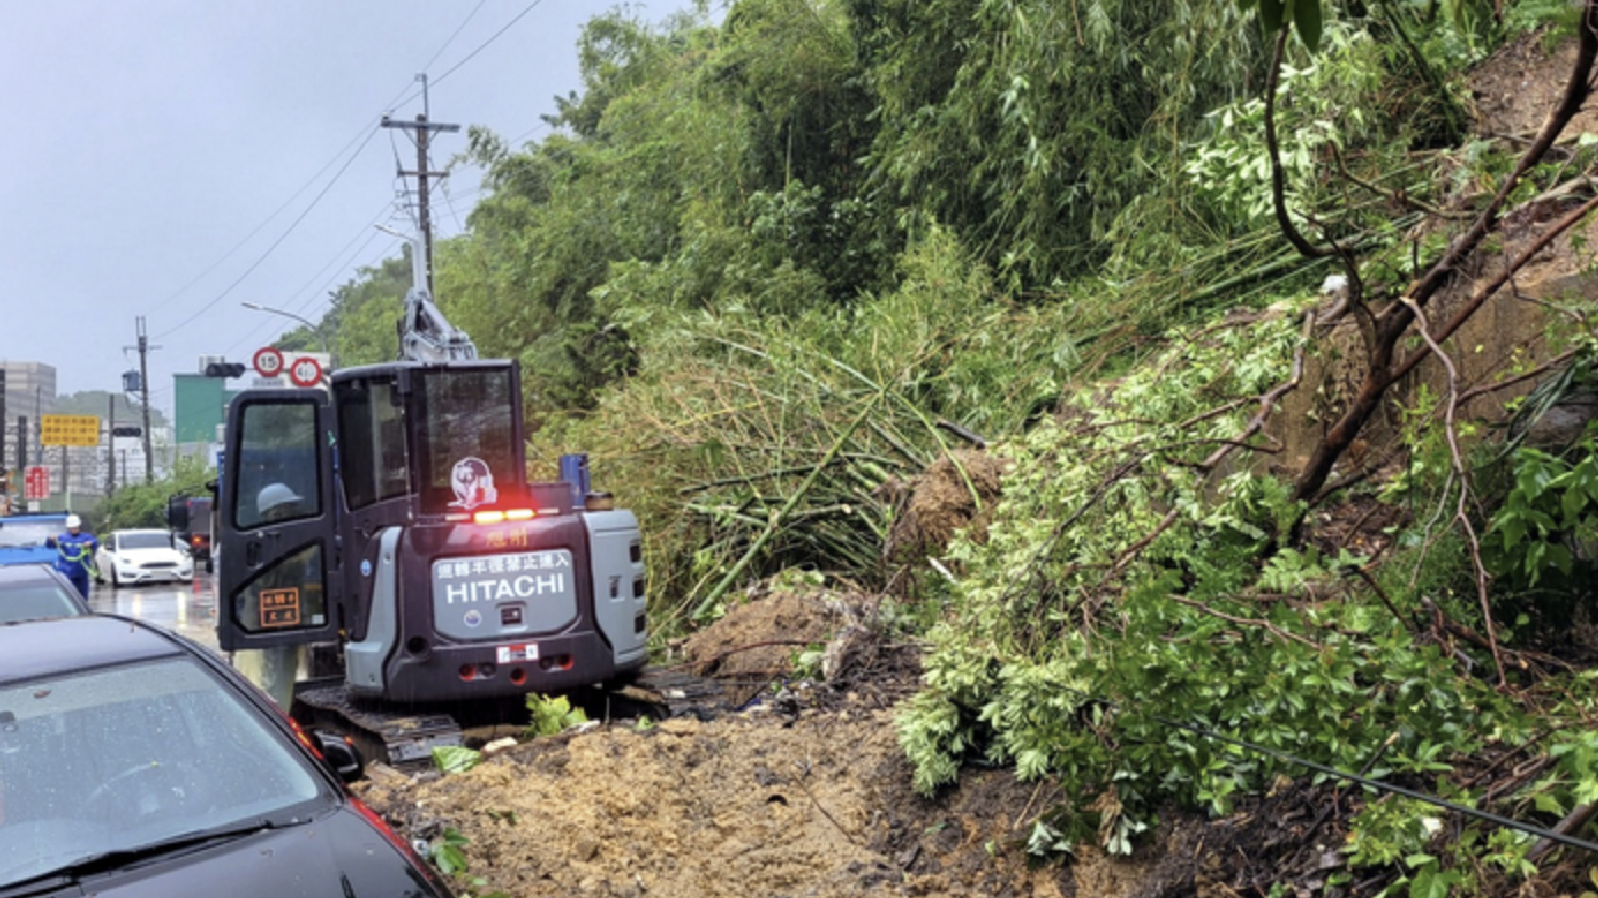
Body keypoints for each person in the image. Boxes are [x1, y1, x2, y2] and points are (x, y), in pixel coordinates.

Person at [233, 483, 313, 708]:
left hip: (286, 628)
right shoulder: (264, 548)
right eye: (287, 510)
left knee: (284, 677)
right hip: (265, 632)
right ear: (274, 514)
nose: (292, 515)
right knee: (267, 685)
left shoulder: (283, 543)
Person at [46, 514, 98, 600]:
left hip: (82, 572)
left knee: (83, 597)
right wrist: (50, 539)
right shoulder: (62, 538)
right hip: (67, 572)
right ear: (69, 528)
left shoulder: (86, 537)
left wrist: (91, 544)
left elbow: (95, 543)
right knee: (69, 596)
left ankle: (84, 612)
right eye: (72, 527)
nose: (75, 529)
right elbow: (49, 546)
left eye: (76, 527)